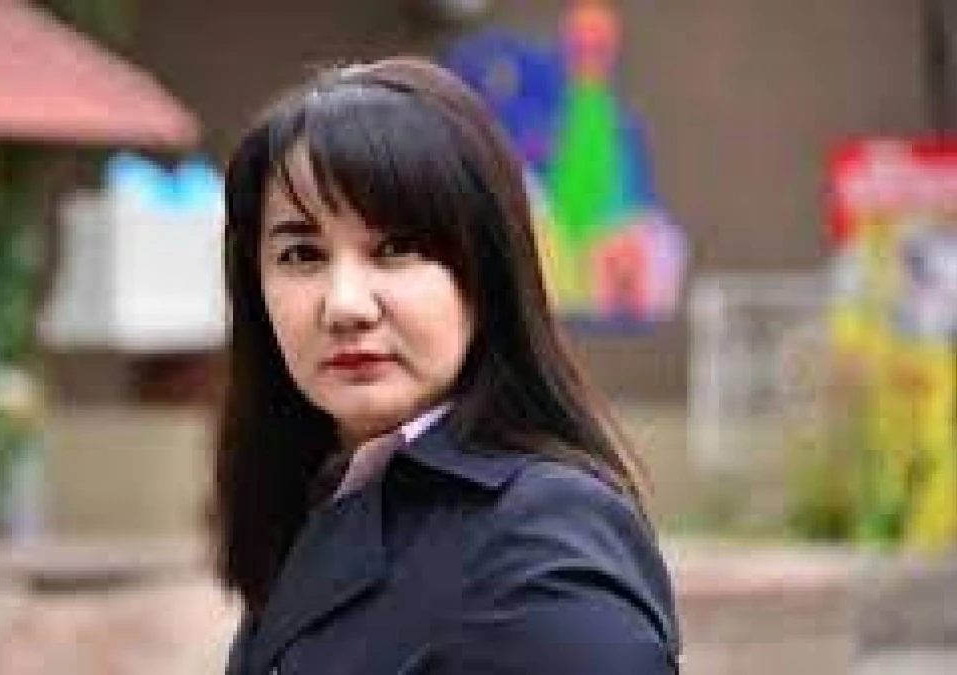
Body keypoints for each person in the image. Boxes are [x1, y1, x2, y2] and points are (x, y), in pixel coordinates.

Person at [212, 56, 681, 674]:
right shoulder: (322, 503)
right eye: (302, 254)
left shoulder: (541, 541)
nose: (345, 305)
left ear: (486, 273)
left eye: (396, 248)